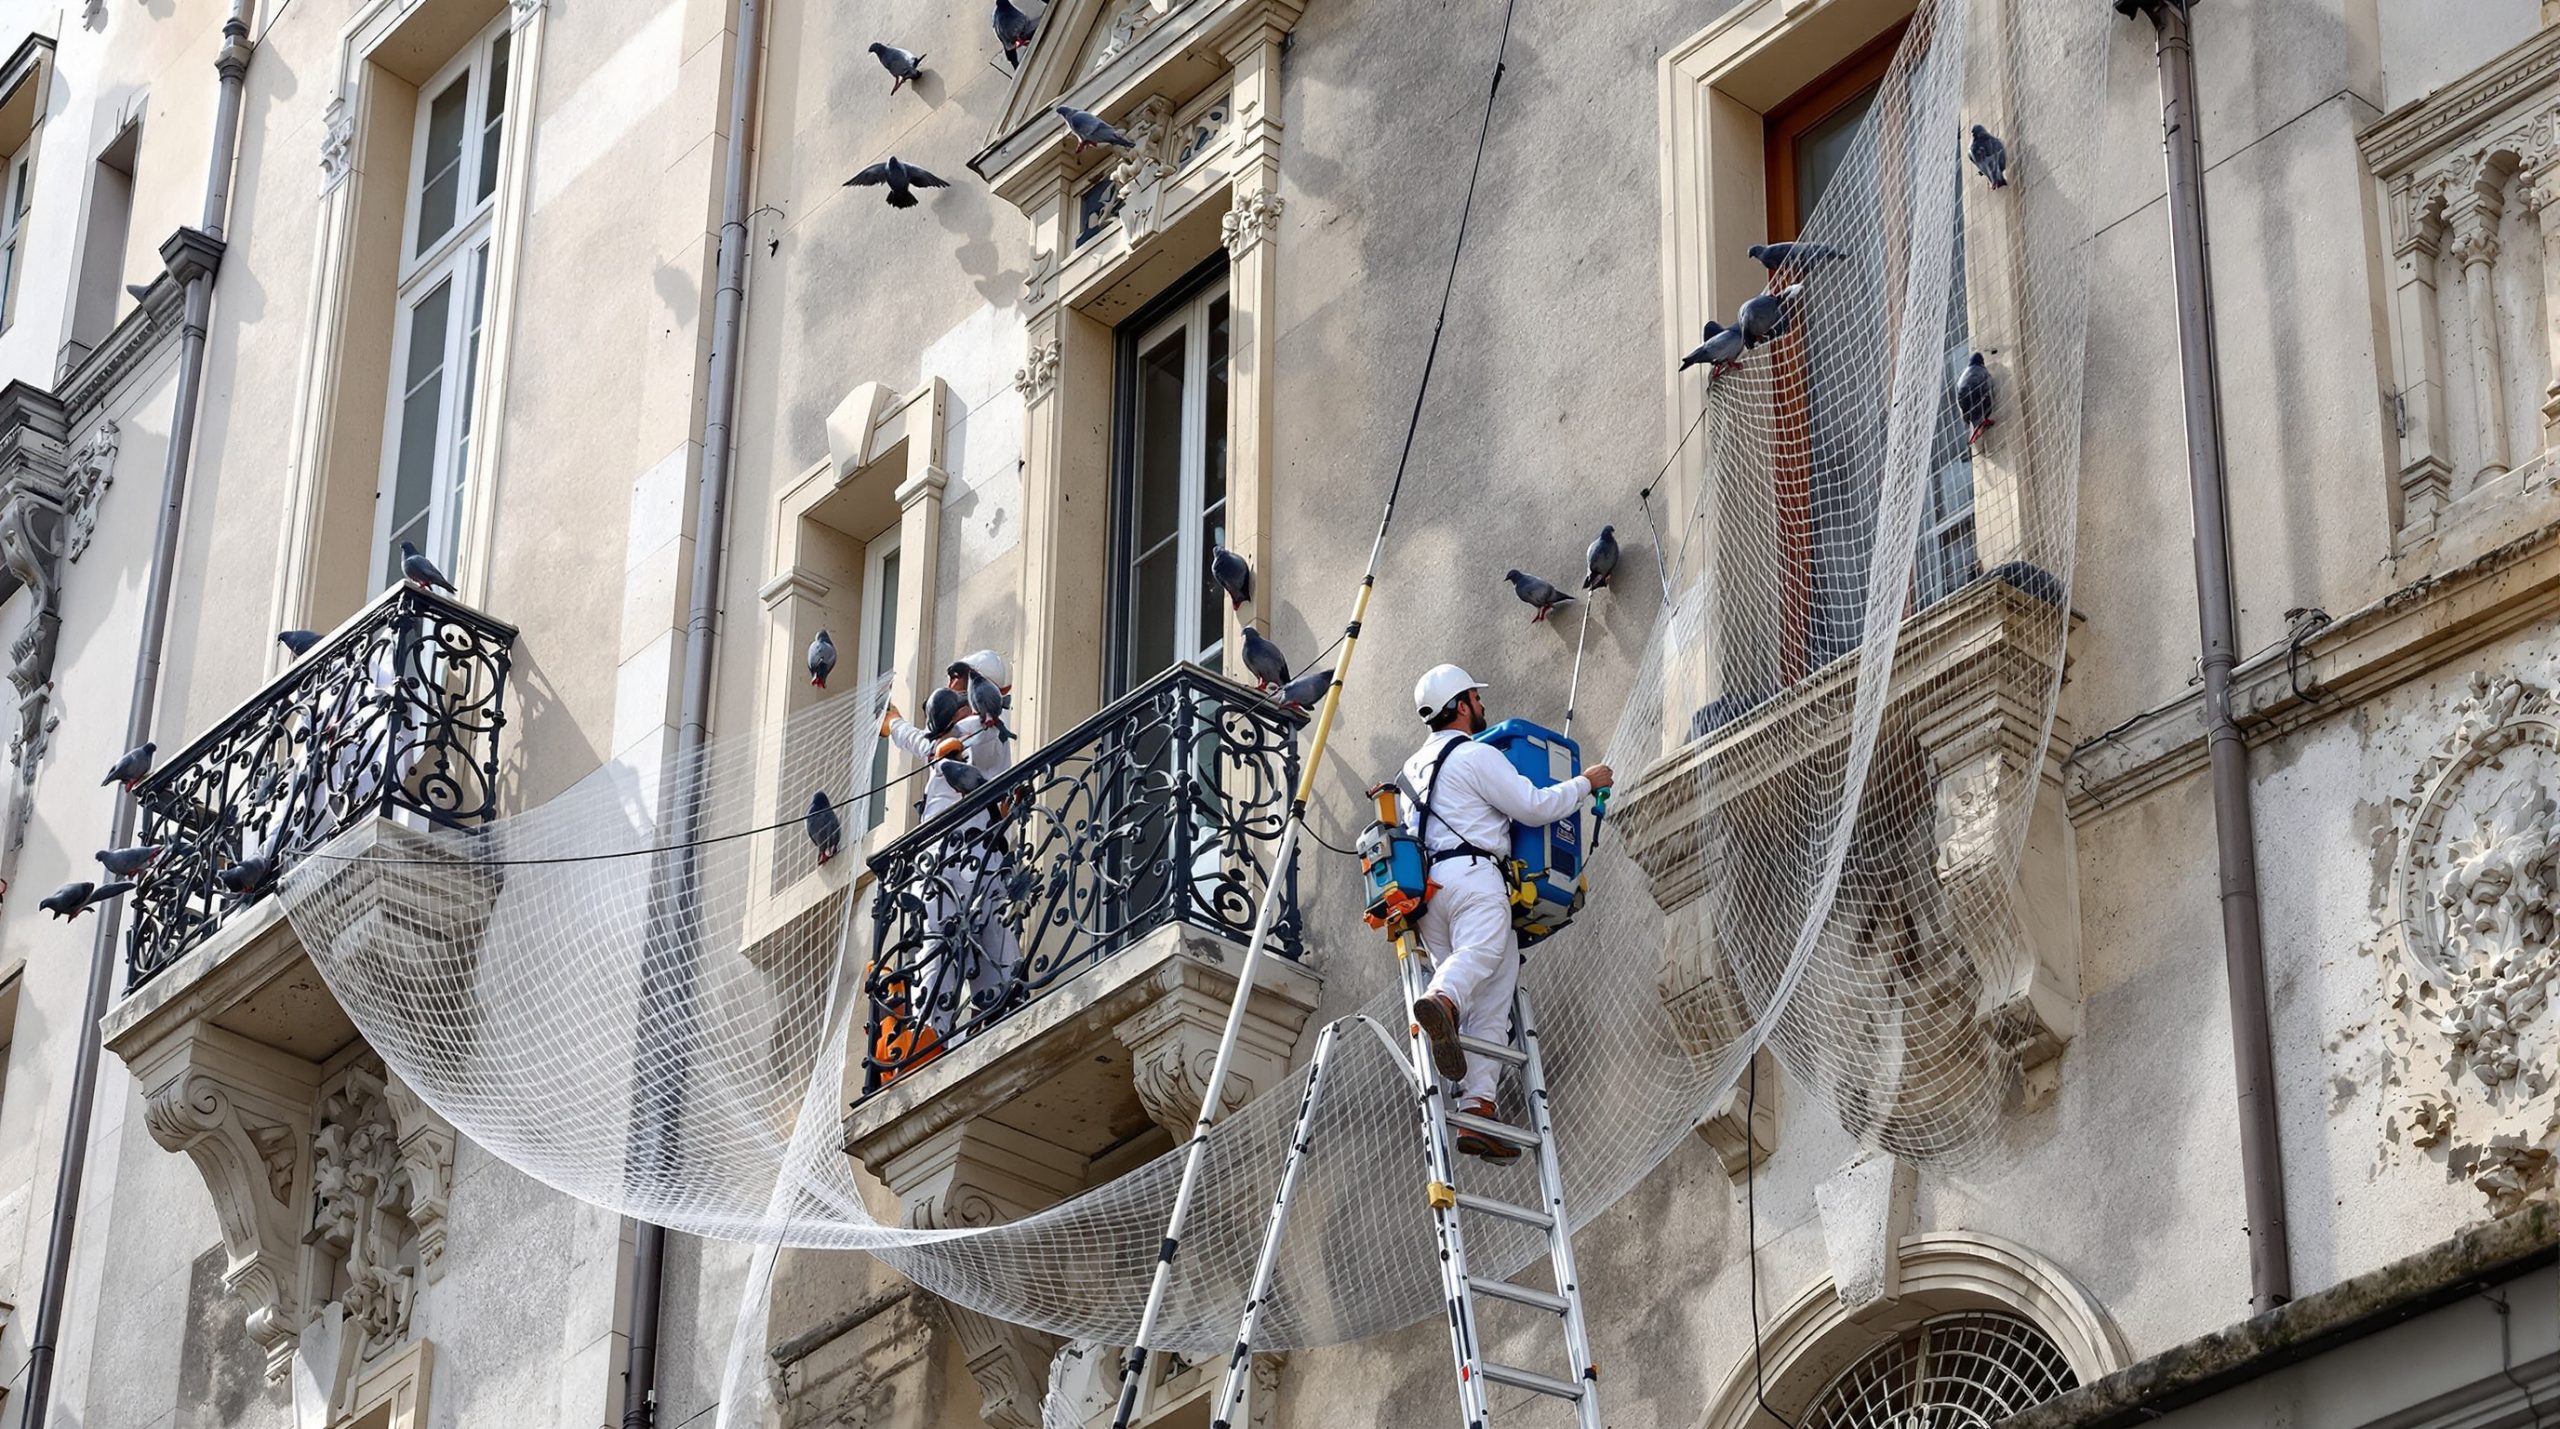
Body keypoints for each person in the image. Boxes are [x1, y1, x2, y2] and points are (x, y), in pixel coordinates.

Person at [1401, 663, 1611, 1161]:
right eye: (1476, 697)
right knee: (1480, 959)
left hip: (1427, 896)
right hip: (1474, 878)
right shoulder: (1474, 755)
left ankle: (1478, 1107)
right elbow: (1533, 805)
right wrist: (1585, 782)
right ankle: (1441, 1001)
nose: (1481, 705)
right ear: (1462, 703)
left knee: (1494, 989)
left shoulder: (1408, 772)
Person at [881, 649, 1022, 1036]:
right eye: (954, 680)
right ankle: (934, 1031)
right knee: (942, 942)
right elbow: (930, 744)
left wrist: (896, 728)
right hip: (946, 856)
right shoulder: (953, 734)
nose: (953, 687)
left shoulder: (986, 731)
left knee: (977, 939)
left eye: (961, 681)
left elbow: (947, 745)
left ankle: (994, 1015)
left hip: (974, 853)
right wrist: (898, 728)